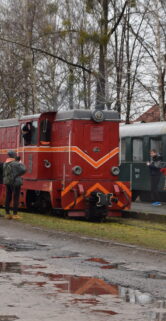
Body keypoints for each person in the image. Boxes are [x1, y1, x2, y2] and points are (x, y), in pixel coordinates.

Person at [3, 151, 26, 219]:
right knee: (16, 198)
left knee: (8, 196)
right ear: (14, 155)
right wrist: (20, 163)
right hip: (15, 182)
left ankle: (7, 213)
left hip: (8, 181)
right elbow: (24, 170)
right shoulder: (16, 163)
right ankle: (15, 214)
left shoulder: (5, 163)